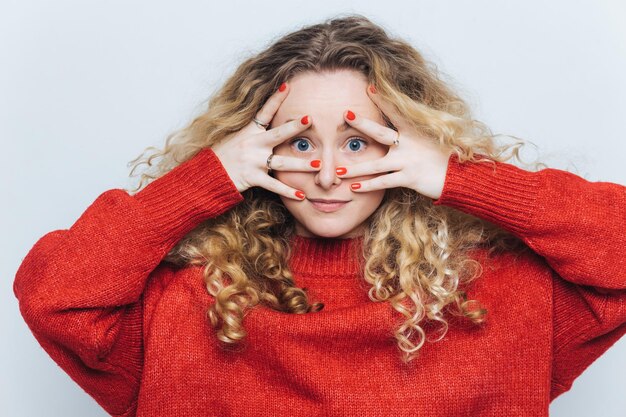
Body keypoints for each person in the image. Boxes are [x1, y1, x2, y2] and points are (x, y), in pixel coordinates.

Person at [13, 14, 626, 417]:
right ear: (249, 147)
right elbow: (53, 294)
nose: (329, 174)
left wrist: (458, 177)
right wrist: (205, 179)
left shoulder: (503, 298)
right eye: (300, 142)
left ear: (411, 143)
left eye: (358, 142)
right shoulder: (180, 303)